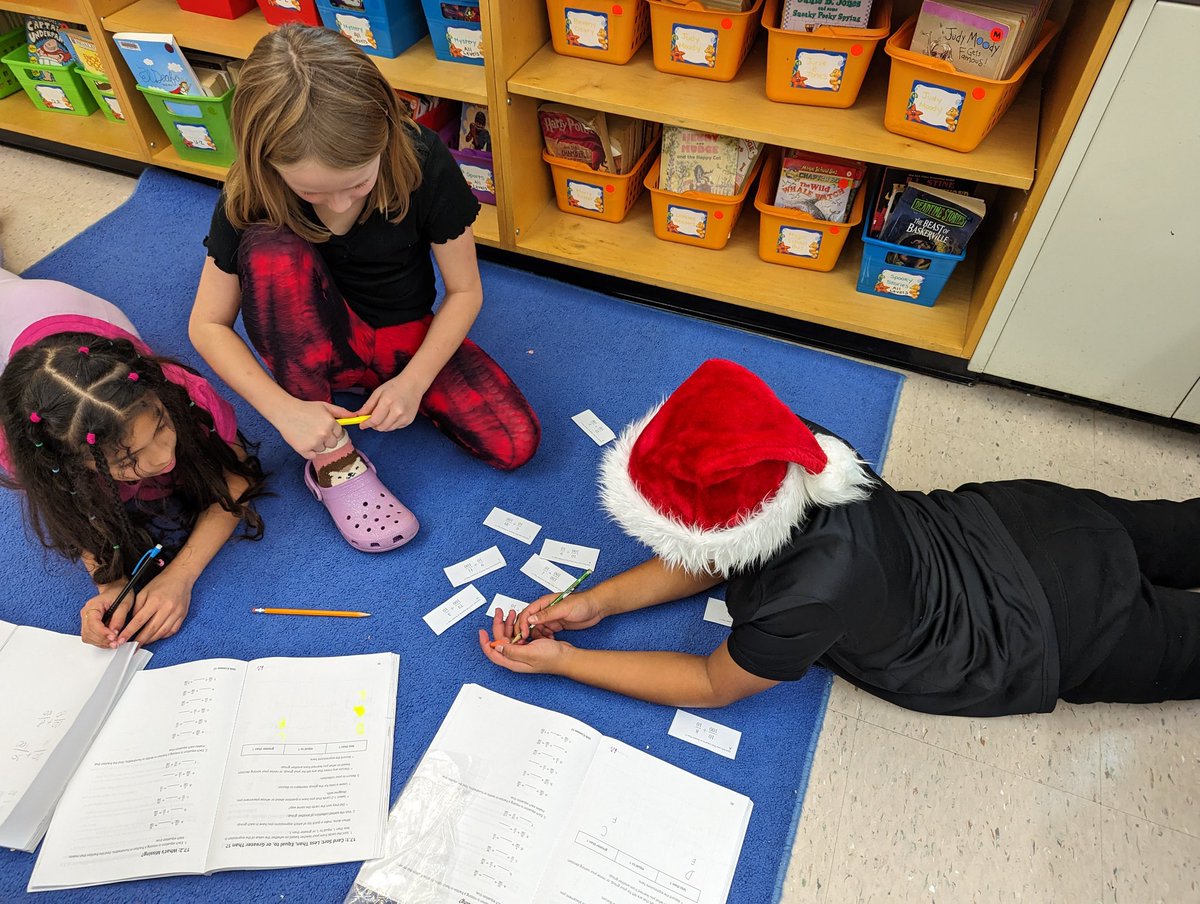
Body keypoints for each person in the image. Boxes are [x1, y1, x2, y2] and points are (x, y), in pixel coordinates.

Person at [480, 359, 1200, 715]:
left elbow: (711, 683)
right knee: (1179, 528)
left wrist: (567, 663)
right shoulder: (799, 447)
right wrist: (597, 604)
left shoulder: (807, 598)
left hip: (1050, 630)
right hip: (1026, 522)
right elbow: (717, 551)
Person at [189, 24, 540, 554]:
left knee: (515, 442)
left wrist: (414, 381)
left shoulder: (422, 158)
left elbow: (465, 292)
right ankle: (332, 463)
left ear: (385, 137)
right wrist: (285, 410)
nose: (338, 205)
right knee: (270, 250)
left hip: (402, 335)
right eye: (311, 191)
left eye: (357, 182)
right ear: (267, 164)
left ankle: (370, 384)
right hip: (312, 347)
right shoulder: (251, 188)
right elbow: (207, 324)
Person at [0, 268, 267, 649]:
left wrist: (181, 575)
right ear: (71, 464)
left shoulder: (182, 390)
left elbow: (237, 475)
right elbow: (70, 510)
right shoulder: (33, 452)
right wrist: (109, 584)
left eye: (161, 425)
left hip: (62, 306)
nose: (164, 459)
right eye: (128, 460)